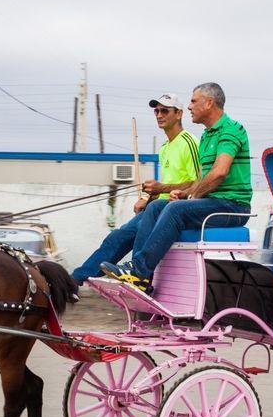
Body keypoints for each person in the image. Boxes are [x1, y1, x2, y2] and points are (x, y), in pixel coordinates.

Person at [101, 82, 252, 290]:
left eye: (193, 101)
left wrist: (191, 197)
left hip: (233, 206)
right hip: (214, 202)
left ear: (209, 103)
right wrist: (184, 192)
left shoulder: (231, 130)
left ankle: (138, 271)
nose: (189, 106)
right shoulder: (207, 136)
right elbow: (202, 180)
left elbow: (219, 173)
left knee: (174, 209)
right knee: (154, 207)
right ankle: (140, 276)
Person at [70, 93, 200, 284]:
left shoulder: (189, 142)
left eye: (165, 110)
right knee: (116, 237)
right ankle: (77, 279)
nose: (159, 115)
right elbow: (164, 189)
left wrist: (160, 188)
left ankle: (138, 277)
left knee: (139, 229)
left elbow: (198, 183)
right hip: (159, 206)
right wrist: (148, 199)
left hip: (176, 209)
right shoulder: (165, 148)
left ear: (179, 113)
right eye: (156, 111)